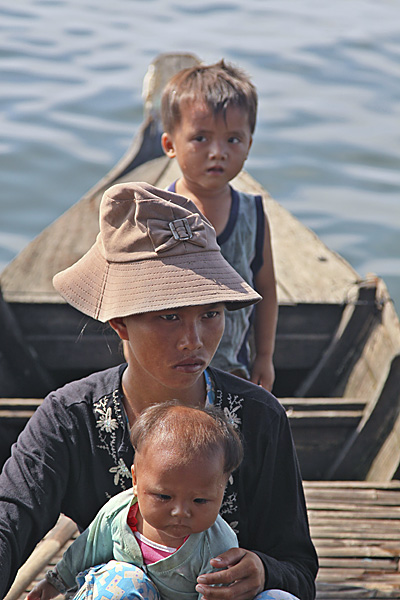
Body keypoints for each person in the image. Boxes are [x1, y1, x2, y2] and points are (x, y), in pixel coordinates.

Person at [0, 182, 317, 600]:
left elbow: (298, 567)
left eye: (210, 314)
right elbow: (10, 521)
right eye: (169, 316)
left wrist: (262, 571)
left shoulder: (259, 417)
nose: (194, 340)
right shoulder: (69, 417)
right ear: (120, 322)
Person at [27, 403, 243, 600]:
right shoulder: (118, 513)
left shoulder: (218, 545)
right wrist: (55, 583)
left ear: (222, 491)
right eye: (164, 497)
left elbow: (216, 594)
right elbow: (86, 550)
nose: (180, 511)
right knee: (121, 580)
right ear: (136, 481)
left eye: (200, 500)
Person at [161, 59, 278, 391]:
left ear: (249, 145)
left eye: (233, 140)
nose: (218, 152)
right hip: (169, 370)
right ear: (170, 145)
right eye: (201, 138)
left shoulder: (252, 214)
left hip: (232, 369)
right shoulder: (158, 213)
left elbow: (265, 289)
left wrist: (264, 357)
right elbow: (135, 301)